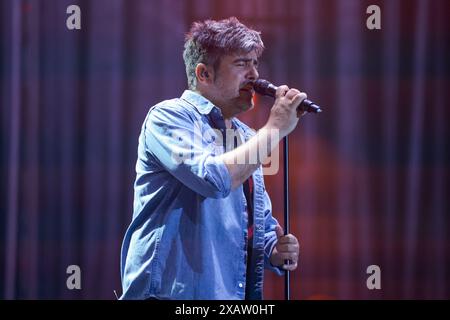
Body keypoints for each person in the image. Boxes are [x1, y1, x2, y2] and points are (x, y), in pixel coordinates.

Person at [120, 17, 305, 300]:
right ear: (204, 74)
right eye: (242, 63)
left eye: (255, 63)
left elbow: (257, 222)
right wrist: (275, 128)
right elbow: (212, 179)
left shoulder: (246, 137)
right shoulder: (168, 117)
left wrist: (274, 250)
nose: (254, 74)